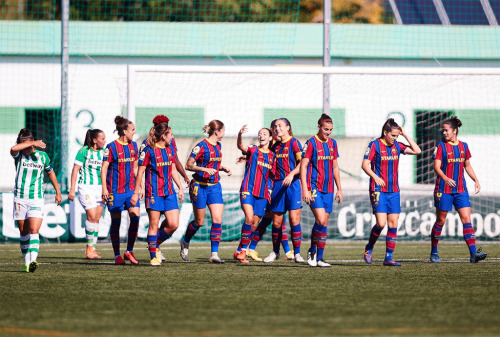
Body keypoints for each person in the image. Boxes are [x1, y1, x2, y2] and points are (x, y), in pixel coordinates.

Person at [362, 118, 421, 266]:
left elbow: (417, 150)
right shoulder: (375, 144)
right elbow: (365, 165)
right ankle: (369, 247)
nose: (395, 138)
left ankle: (388, 257)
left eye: (397, 136)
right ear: (385, 132)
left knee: (393, 224)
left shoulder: (398, 146)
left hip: (394, 191)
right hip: (378, 190)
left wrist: (405, 135)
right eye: (393, 135)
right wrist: (375, 177)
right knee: (381, 224)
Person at [430, 116, 487, 263]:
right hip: (443, 189)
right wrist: (446, 178)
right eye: (443, 130)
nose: (444, 133)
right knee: (441, 221)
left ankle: (474, 254)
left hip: (461, 189)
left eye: (446, 130)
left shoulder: (464, 146)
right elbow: (436, 167)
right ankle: (434, 252)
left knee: (466, 219)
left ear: (454, 131)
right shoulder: (441, 146)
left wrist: (476, 180)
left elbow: (467, 166)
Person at [131, 122, 184, 266]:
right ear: (163, 135)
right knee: (153, 224)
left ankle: (155, 243)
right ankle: (154, 256)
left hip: (169, 192)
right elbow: (140, 172)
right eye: (171, 134)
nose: (172, 137)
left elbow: (173, 169)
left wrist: (180, 187)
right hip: (153, 193)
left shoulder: (169, 149)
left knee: (173, 224)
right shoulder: (149, 150)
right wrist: (137, 192)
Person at [180, 120, 232, 263]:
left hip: (214, 186)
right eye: (223, 130)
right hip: (199, 186)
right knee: (199, 221)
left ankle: (214, 255)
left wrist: (223, 168)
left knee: (217, 219)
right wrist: (204, 170)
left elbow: (213, 164)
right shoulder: (201, 146)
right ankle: (185, 241)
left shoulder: (219, 145)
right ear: (217, 132)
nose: (224, 133)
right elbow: (188, 165)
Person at [11, 128, 62, 272]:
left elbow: (51, 173)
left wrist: (58, 192)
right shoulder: (19, 154)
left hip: (37, 198)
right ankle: (26, 263)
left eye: (30, 145)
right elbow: (13, 148)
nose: (27, 148)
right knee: (23, 231)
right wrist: (30, 142)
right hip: (20, 198)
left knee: (34, 229)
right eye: (24, 144)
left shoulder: (43, 156)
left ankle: (33, 261)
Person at [245, 120, 293, 261]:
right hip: (268, 187)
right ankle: (249, 248)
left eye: (278, 128)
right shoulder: (271, 148)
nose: (276, 130)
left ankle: (252, 248)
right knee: (268, 221)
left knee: (272, 221)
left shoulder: (281, 146)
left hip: (276, 186)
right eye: (274, 128)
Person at [301, 114, 343, 267]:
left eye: (330, 130)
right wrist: (304, 189)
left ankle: (320, 258)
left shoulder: (333, 143)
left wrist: (339, 189)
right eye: (326, 129)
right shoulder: (311, 143)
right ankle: (312, 251)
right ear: (319, 127)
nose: (328, 132)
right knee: (320, 220)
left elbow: (335, 166)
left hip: (329, 189)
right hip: (314, 188)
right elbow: (303, 166)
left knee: (324, 223)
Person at [101, 116, 142, 265]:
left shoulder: (134, 146)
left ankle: (129, 251)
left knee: (135, 218)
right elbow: (104, 168)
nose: (134, 133)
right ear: (124, 131)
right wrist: (105, 188)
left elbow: (136, 168)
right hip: (115, 191)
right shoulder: (111, 147)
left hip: (130, 189)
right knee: (116, 223)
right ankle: (117, 255)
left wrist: (140, 187)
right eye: (132, 130)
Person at [264, 118, 304, 263]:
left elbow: (302, 164)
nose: (277, 128)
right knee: (276, 223)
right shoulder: (275, 146)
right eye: (275, 126)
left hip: (293, 184)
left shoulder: (294, 143)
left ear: (287, 127)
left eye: (280, 125)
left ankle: (297, 253)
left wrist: (292, 174)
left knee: (294, 220)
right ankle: (275, 252)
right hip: (278, 185)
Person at [233, 125, 275, 263]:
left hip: (262, 193)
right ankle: (243, 252)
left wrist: (270, 189)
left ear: (270, 138)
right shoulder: (253, 150)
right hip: (248, 190)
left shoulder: (272, 156)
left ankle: (239, 249)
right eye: (259, 134)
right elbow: (240, 146)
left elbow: (272, 176)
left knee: (254, 224)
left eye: (264, 133)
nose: (261, 136)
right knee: (249, 218)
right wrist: (240, 134)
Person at [68, 129, 106, 260]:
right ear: (95, 140)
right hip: (86, 187)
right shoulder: (83, 151)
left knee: (96, 219)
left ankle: (92, 249)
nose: (104, 141)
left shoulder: (104, 153)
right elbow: (75, 171)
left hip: (101, 188)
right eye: (102, 139)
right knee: (92, 216)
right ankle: (89, 248)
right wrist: (72, 189)